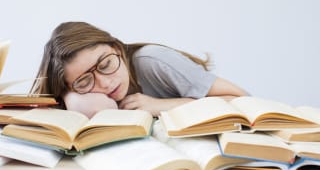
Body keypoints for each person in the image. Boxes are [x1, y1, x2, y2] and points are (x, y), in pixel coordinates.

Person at [31, 21, 248, 118]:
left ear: (116, 48)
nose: (105, 84)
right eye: (85, 81)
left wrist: (159, 106)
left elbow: (243, 99)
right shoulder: (81, 96)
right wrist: (71, 97)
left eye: (106, 64)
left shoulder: (153, 61)